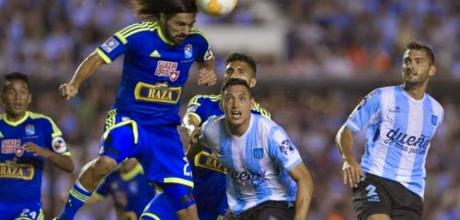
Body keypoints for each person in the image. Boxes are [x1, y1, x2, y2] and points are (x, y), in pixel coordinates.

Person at [56, 0, 217, 219]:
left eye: (190, 24)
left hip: (165, 130)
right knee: (105, 163)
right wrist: (75, 83)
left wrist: (208, 70)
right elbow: (97, 57)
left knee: (188, 210)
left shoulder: (196, 41)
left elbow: (207, 57)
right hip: (130, 119)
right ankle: (65, 216)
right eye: (179, 24)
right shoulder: (138, 35)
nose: (185, 30)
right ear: (162, 17)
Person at [335, 40, 444, 220]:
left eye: (419, 61)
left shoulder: (437, 111)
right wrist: (349, 159)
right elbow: (345, 131)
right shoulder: (382, 97)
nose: (411, 66)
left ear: (432, 70)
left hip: (411, 191)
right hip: (374, 178)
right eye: (407, 61)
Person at [198, 78, 313, 220]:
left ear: (251, 104)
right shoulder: (212, 131)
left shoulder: (270, 133)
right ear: (222, 105)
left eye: (242, 99)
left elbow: (305, 178)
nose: (235, 105)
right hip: (238, 211)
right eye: (229, 99)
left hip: (277, 202)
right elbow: (194, 140)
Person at [182, 52, 270, 220]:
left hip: (225, 200)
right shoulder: (204, 102)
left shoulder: (261, 117)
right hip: (191, 189)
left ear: (252, 82)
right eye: (229, 71)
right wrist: (192, 129)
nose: (233, 75)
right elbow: (189, 119)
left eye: (241, 71)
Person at [0, 72, 74, 219]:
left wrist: (47, 153)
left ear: (29, 98)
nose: (17, 97)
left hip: (28, 209)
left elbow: (69, 165)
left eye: (22, 92)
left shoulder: (43, 125)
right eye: (11, 92)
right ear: (2, 99)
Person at [91, 158, 155, 220]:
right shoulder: (112, 177)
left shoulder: (149, 173)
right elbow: (94, 198)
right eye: (124, 156)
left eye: (130, 156)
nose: (126, 160)